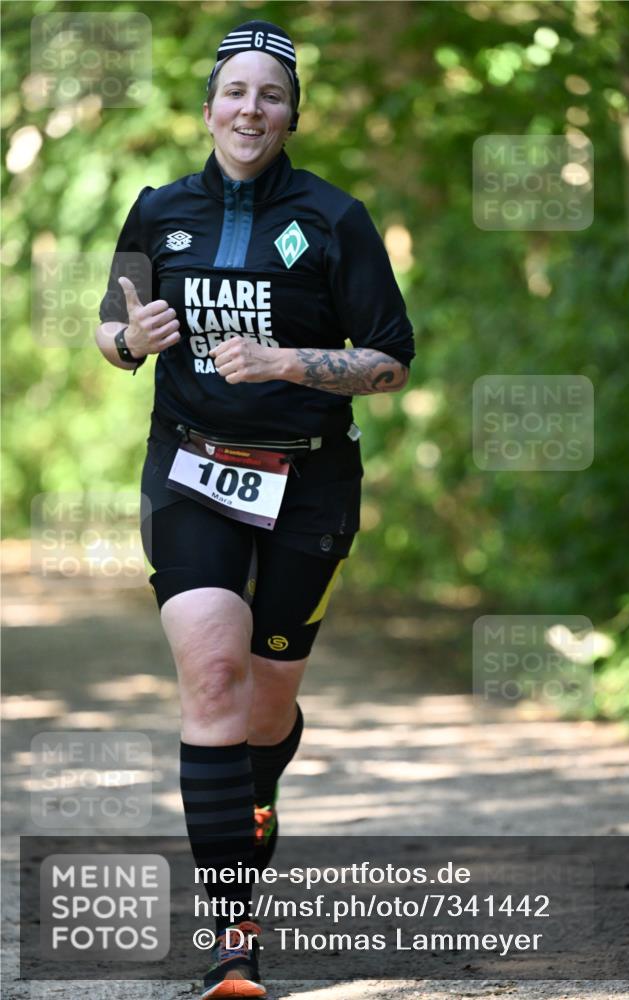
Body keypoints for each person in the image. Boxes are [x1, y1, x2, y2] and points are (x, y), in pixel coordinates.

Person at [95, 19, 414, 998]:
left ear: (290, 115)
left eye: (270, 95)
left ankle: (253, 784)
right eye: (235, 91)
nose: (250, 109)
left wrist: (284, 362)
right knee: (214, 677)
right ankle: (234, 939)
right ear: (207, 107)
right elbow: (114, 325)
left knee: (264, 710)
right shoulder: (157, 211)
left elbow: (391, 359)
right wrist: (129, 336)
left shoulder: (334, 218)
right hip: (190, 470)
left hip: (309, 480)